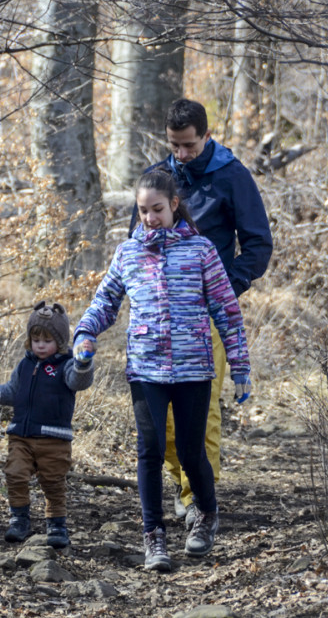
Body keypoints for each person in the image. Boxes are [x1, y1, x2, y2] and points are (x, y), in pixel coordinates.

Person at [75, 170, 252, 571]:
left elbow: (227, 310)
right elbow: (105, 302)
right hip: (146, 369)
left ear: (174, 205)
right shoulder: (128, 253)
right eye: (143, 211)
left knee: (191, 453)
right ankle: (153, 536)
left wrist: (239, 364)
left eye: (157, 209)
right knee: (149, 451)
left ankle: (206, 514)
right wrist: (85, 333)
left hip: (193, 369)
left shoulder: (202, 251)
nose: (150, 218)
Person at [129, 98, 272, 528]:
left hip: (205, 313)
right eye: (174, 145)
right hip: (158, 319)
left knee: (202, 412)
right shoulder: (160, 177)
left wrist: (225, 287)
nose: (181, 154)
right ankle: (180, 484)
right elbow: (135, 242)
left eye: (189, 145)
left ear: (206, 136)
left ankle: (198, 499)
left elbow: (259, 245)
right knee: (162, 418)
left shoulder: (232, 176)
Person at [0, 302, 94, 549]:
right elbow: (12, 390)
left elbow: (78, 382)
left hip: (54, 438)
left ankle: (57, 524)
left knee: (53, 482)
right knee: (14, 473)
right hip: (21, 435)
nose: (40, 344)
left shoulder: (66, 365)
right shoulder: (25, 364)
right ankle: (19, 519)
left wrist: (83, 362)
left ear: (59, 342)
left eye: (47, 340)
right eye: (36, 338)